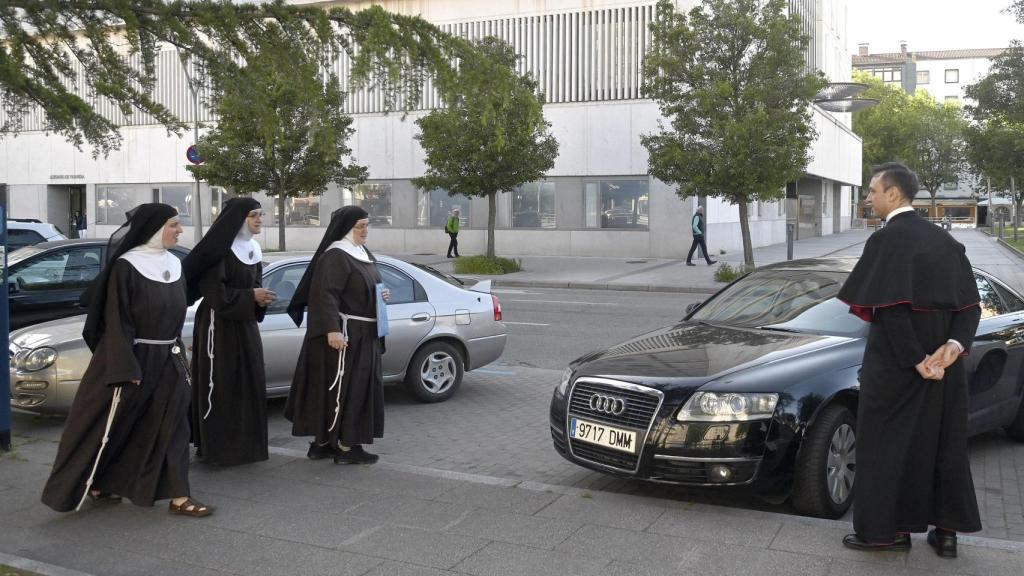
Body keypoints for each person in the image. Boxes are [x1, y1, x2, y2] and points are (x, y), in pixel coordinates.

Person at [837, 162, 981, 558]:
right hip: (945, 367)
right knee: (945, 446)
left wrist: (918, 360)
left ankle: (886, 534)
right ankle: (946, 536)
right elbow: (970, 307)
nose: (868, 197)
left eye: (872, 190)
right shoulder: (946, 241)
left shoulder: (886, 240)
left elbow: (890, 311)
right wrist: (953, 347)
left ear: (893, 193)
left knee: (887, 447)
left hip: (897, 366)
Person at [41, 203, 213, 517]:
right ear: (155, 229)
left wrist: (179, 352)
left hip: (168, 357)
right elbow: (117, 320)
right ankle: (97, 482)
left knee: (175, 425)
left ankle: (179, 496)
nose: (180, 230)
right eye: (173, 225)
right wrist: (125, 366)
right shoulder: (127, 266)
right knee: (115, 427)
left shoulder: (173, 265)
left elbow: (173, 317)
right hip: (133, 359)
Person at [285, 206, 390, 465]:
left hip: (363, 333)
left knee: (341, 389)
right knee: (348, 390)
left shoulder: (360, 253)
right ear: (346, 229)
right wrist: (331, 329)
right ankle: (346, 447)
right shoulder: (336, 255)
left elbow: (362, 287)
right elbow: (325, 294)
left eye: (366, 225)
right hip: (346, 334)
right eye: (360, 226)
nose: (365, 231)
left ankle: (323, 444)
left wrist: (380, 294)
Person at [183, 197, 274, 466]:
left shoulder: (253, 249)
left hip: (244, 323)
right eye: (253, 215)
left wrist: (260, 299)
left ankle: (246, 447)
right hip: (218, 325)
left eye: (261, 214)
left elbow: (253, 286)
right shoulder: (220, 251)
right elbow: (215, 294)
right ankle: (219, 449)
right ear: (239, 220)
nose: (259, 220)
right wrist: (251, 296)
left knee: (249, 381)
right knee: (222, 383)